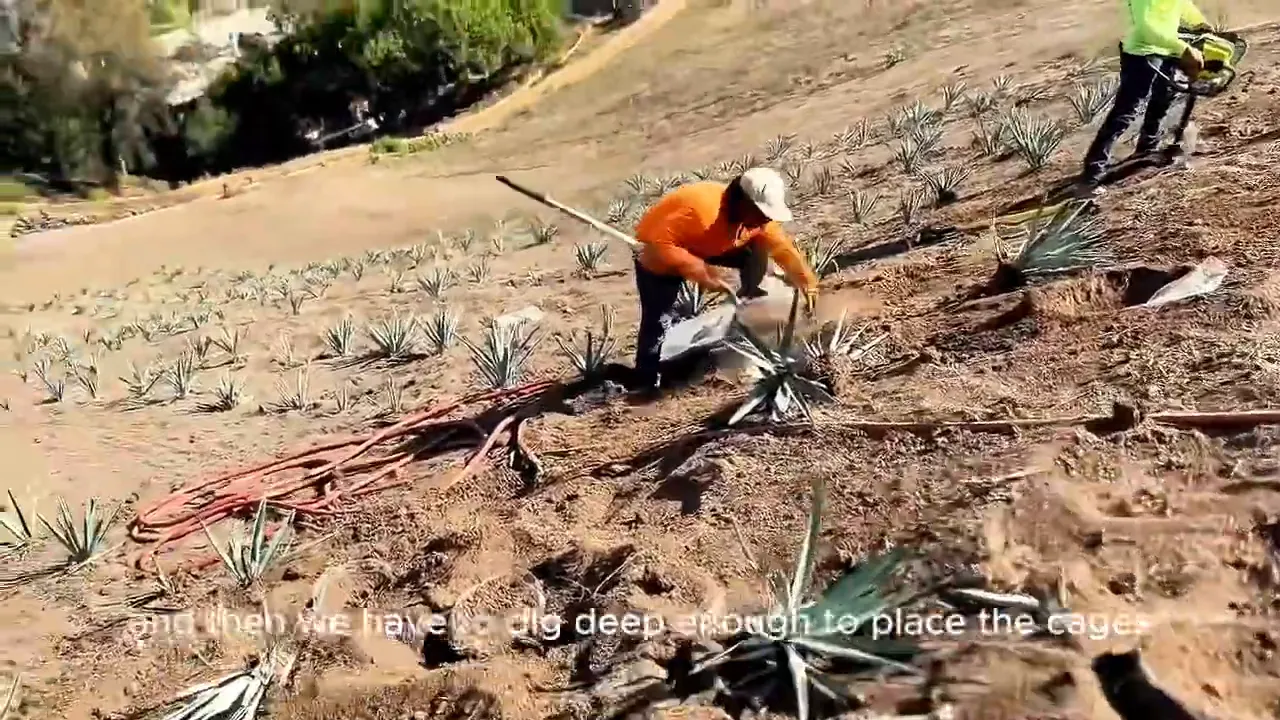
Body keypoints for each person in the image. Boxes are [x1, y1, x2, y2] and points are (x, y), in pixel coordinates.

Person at [629, 167, 820, 393]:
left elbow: (782, 248)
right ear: (742, 203)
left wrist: (807, 281)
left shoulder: (755, 220)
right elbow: (659, 244)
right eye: (760, 214)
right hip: (658, 256)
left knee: (757, 248)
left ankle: (750, 305)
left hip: (712, 243)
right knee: (658, 320)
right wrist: (703, 274)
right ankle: (646, 379)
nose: (764, 221)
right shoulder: (702, 213)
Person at [1076, 0, 1213, 193]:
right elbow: (1147, 28)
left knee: (1162, 100)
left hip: (1167, 50)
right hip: (1142, 53)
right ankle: (1092, 173)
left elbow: (1181, 5)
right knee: (1127, 111)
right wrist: (1183, 48)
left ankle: (1146, 148)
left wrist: (1200, 23)